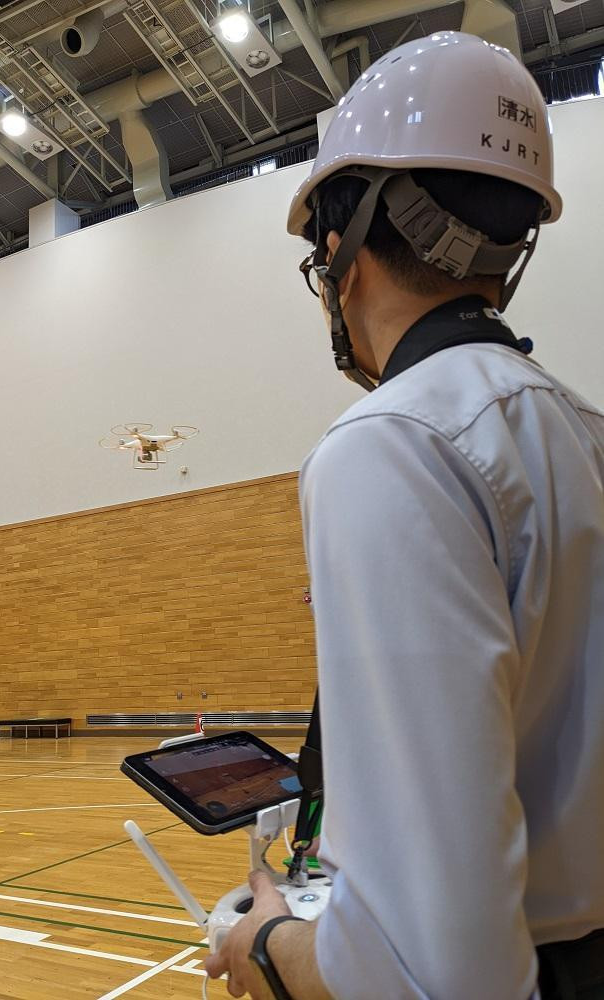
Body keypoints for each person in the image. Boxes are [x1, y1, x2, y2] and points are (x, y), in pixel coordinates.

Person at [205, 29, 604, 1000]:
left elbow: (438, 968)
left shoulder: (390, 444)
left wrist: (268, 947)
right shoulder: (585, 432)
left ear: (342, 249)